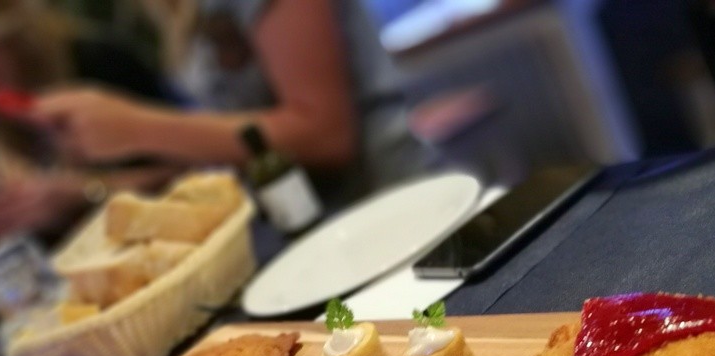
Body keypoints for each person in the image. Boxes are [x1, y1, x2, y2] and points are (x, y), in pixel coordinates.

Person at [30, 0, 432, 207]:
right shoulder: (170, 12)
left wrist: (138, 128)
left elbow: (325, 132)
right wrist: (88, 189)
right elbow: (224, 144)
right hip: (321, 230)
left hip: (400, 209)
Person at [0, 0, 183, 240]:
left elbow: (195, 163)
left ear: (4, 29)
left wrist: (84, 192)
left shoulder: (95, 63)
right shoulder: (0, 118)